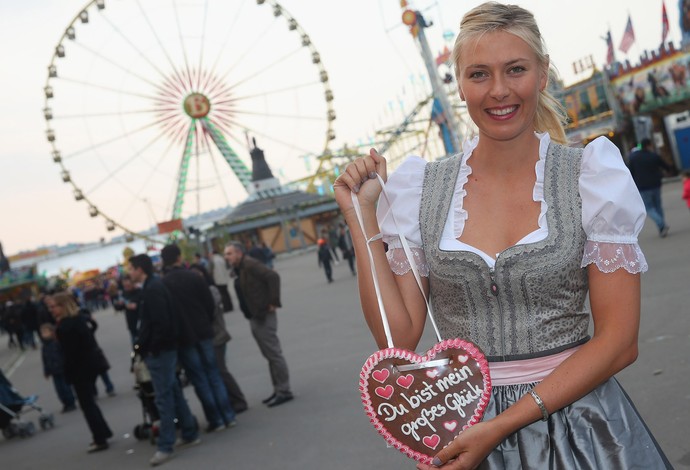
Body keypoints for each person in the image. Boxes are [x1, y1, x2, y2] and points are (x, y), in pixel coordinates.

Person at [333, 3, 671, 469]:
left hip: (579, 429)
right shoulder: (419, 190)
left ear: (542, 74)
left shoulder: (590, 177)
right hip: (464, 426)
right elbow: (399, 339)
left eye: (515, 70)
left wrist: (501, 424)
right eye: (478, 75)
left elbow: (619, 342)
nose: (499, 91)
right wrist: (361, 216)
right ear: (460, 85)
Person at [129, 254, 200, 467]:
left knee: (163, 397)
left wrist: (151, 347)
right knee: (172, 390)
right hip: (162, 349)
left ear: (140, 269)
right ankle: (189, 431)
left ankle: (165, 445)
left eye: (131, 268)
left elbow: (160, 323)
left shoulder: (153, 289)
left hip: (160, 351)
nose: (129, 272)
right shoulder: (153, 287)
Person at [160, 244, 237, 432]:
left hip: (185, 337)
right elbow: (209, 304)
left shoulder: (163, 284)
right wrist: (205, 321)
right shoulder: (194, 277)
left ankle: (216, 419)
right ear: (179, 258)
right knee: (214, 373)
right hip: (204, 331)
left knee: (199, 378)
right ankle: (228, 415)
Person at [224, 241, 294, 407]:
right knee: (269, 354)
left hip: (263, 315)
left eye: (229, 253)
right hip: (255, 315)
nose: (227, 257)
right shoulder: (240, 268)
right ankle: (278, 389)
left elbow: (273, 276)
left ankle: (284, 390)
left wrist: (273, 301)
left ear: (239, 253)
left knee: (273, 354)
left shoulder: (250, 264)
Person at [46, 292, 112, 453]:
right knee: (90, 403)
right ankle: (103, 432)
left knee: (87, 404)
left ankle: (100, 438)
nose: (51, 310)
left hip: (79, 369)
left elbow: (69, 354)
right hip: (90, 365)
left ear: (63, 306)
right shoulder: (77, 320)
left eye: (54, 306)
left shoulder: (64, 327)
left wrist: (68, 374)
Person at [189, 264, 248, 414]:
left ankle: (239, 399)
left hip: (217, 335)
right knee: (216, 371)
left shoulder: (211, 290)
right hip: (211, 336)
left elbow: (211, 311)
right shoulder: (200, 291)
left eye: (198, 274)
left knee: (220, 370)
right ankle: (230, 400)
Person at [628, 137, 673, 237]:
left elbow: (630, 172)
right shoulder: (653, 155)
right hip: (656, 184)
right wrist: (669, 170)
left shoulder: (633, 157)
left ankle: (661, 225)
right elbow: (665, 166)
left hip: (642, 187)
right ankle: (662, 226)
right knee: (658, 206)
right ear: (648, 145)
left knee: (648, 208)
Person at [39, 323, 77, 413]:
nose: (43, 334)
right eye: (42, 333)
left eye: (45, 332)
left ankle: (71, 403)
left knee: (66, 387)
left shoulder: (57, 342)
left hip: (62, 369)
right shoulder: (44, 346)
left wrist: (66, 365)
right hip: (53, 371)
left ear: (51, 332)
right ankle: (65, 403)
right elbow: (44, 359)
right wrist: (46, 371)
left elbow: (64, 354)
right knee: (59, 389)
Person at [111, 273, 142, 346]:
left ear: (133, 283)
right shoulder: (124, 293)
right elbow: (118, 307)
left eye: (128, 285)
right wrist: (120, 304)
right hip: (132, 327)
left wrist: (137, 306)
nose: (126, 287)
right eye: (124, 286)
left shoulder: (140, 291)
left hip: (141, 325)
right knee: (136, 350)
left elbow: (144, 305)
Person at [210, 247, 234, 313]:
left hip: (218, 279)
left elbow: (211, 271)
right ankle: (230, 306)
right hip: (225, 278)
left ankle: (226, 307)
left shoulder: (213, 260)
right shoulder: (222, 259)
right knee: (226, 292)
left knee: (222, 294)